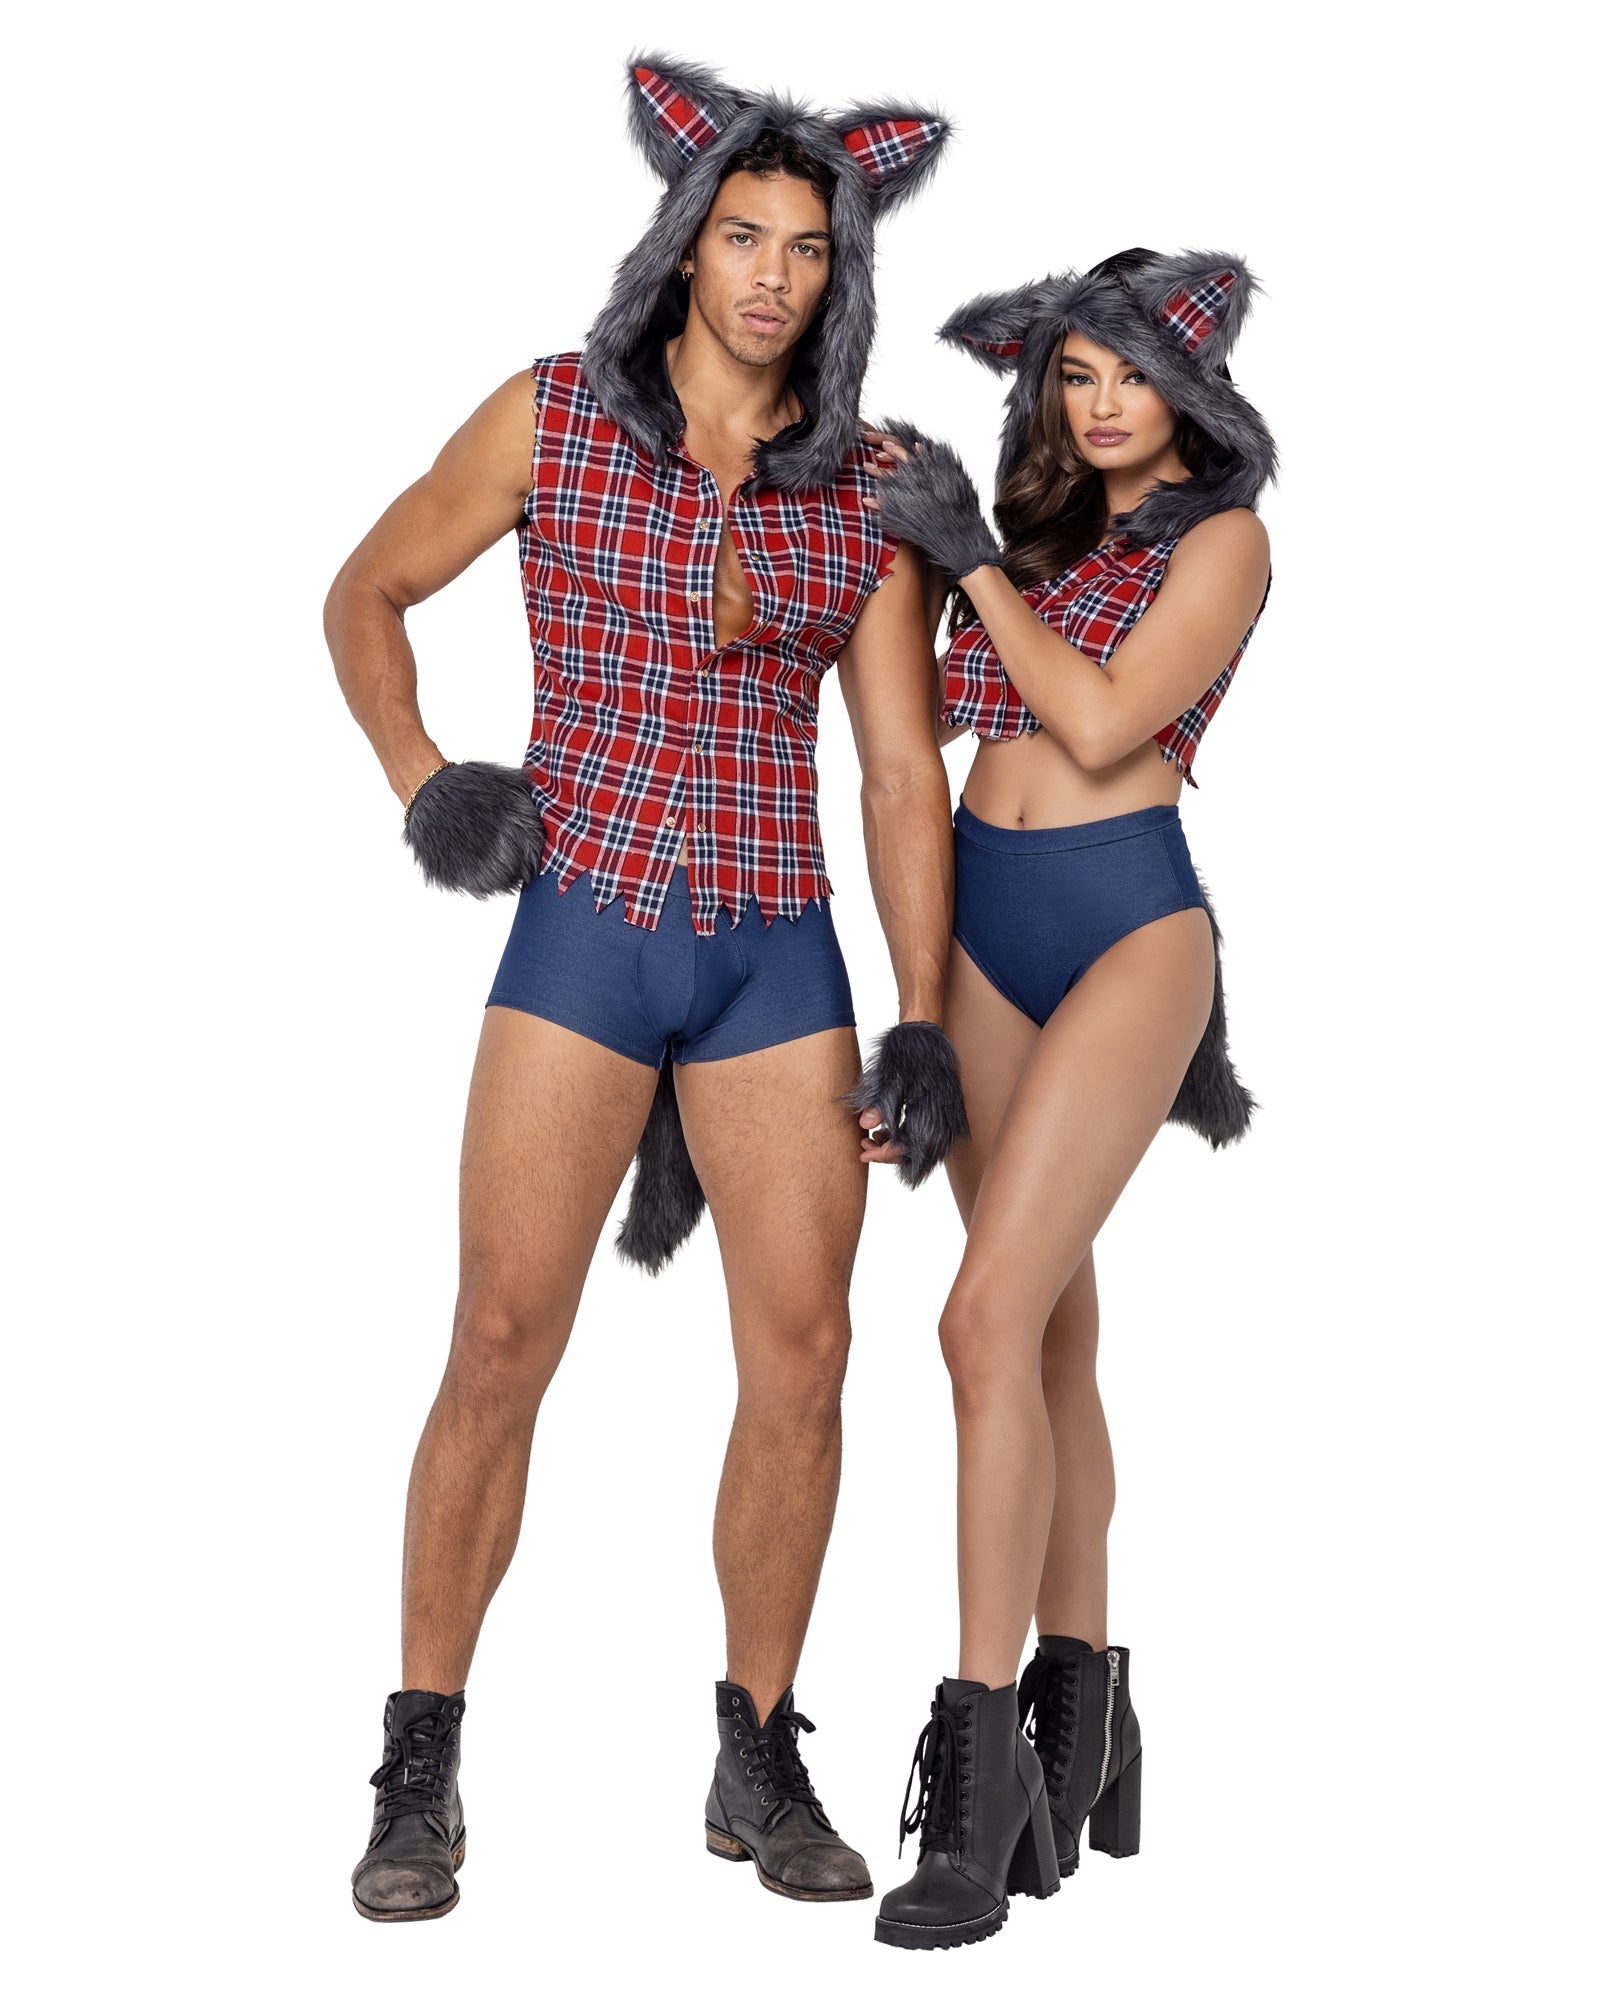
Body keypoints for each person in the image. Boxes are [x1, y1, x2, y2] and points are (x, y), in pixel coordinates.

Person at [322, 53, 963, 1922]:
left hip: (776, 949)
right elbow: (363, 591)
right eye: (744, 238)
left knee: (809, 1357)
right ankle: (421, 1758)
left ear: (840, 275)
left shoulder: (870, 487)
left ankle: (756, 1749)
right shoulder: (555, 415)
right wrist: (427, 782)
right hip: (586, 926)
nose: (773, 276)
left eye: (807, 250)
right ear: (689, 246)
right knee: (499, 1340)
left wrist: (923, 1016)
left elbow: (899, 772)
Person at [857, 248, 1276, 1950]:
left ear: (1192, 391)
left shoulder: (1224, 542)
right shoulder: (1033, 538)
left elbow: (1099, 723)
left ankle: (978, 1782)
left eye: (1132, 375)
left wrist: (965, 555)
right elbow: (908, 734)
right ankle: (1088, 1718)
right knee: (1040, 1338)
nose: (1101, 405)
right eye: (1074, 376)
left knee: (977, 1322)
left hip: (1128, 932)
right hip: (981, 928)